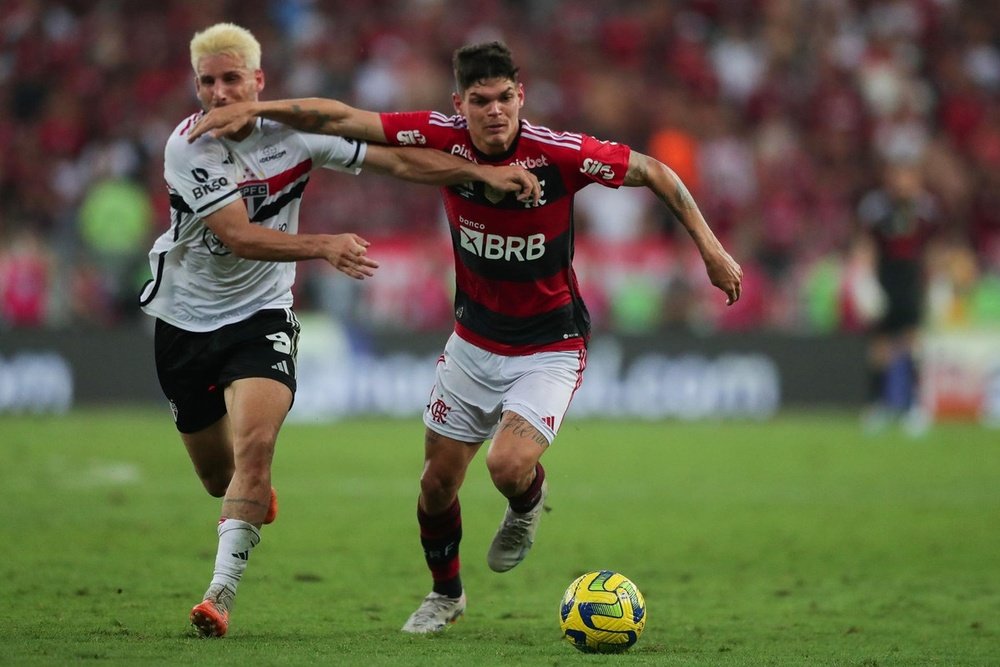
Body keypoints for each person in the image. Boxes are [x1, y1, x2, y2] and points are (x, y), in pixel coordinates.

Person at [189, 40, 742, 634]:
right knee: (435, 485)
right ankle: (446, 594)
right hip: (473, 344)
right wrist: (260, 110)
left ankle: (526, 504)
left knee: (507, 466)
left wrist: (710, 249)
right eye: (481, 101)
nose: (495, 111)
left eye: (506, 97)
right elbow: (343, 118)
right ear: (461, 104)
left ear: (521, 96)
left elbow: (653, 169)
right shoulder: (438, 136)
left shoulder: (558, 155)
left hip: (550, 345)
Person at [140, 25, 540, 639]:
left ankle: (219, 595)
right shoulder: (188, 146)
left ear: (258, 82)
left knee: (256, 450)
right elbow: (239, 236)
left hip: (262, 315)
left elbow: (400, 159)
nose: (219, 93)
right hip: (184, 321)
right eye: (208, 82)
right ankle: (249, 498)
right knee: (220, 478)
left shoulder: (293, 134)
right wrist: (323, 245)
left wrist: (482, 176)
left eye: (231, 79)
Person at [856, 160, 938, 434]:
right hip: (886, 278)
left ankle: (913, 406)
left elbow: (931, 249)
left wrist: (935, 283)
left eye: (908, 174)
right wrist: (866, 282)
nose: (903, 180)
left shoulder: (925, 209)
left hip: (911, 280)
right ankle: (877, 405)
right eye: (898, 174)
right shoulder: (876, 208)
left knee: (912, 343)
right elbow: (866, 246)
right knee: (880, 347)